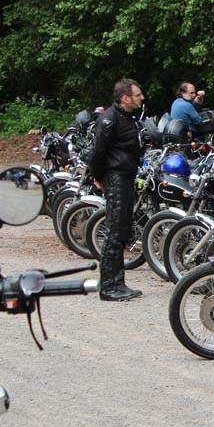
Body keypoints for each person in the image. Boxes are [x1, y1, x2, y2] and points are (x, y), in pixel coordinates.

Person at [87, 78, 146, 301]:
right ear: (125, 98)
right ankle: (107, 286)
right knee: (114, 232)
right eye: (137, 95)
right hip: (115, 177)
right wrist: (97, 177)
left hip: (126, 176)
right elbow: (97, 152)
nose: (142, 98)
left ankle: (118, 283)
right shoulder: (109, 119)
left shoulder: (128, 117)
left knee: (122, 231)